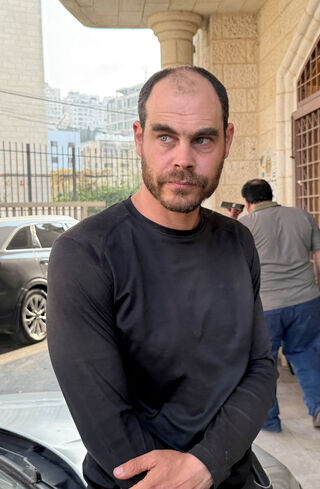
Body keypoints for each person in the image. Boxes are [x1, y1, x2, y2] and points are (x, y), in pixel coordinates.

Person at [48, 67, 277, 489]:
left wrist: (206, 464)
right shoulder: (85, 253)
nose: (183, 159)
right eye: (165, 136)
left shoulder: (237, 241)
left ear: (227, 140)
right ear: (139, 138)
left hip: (231, 474)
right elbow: (103, 415)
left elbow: (260, 368)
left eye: (202, 139)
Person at [236, 178, 320, 431]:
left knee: (264, 363)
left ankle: (269, 421)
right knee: (305, 353)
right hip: (305, 300)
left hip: (265, 306)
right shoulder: (302, 216)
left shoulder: (244, 225)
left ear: (246, 202)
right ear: (271, 195)